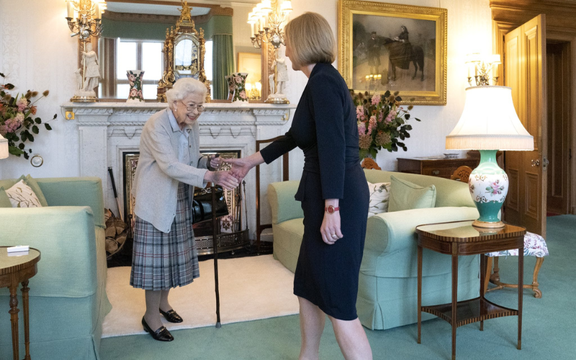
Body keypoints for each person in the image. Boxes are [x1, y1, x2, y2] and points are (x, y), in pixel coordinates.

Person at [227, 12, 372, 360]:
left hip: (338, 199)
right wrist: (251, 160)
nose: (285, 49)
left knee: (338, 300)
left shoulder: (323, 83)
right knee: (308, 287)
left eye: (289, 41)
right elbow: (296, 136)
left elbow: (334, 150)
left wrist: (332, 208)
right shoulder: (319, 81)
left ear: (304, 42)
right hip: (323, 196)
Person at [130, 78, 239, 342]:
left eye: (200, 107)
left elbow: (189, 160)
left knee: (170, 259)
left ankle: (163, 305)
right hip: (155, 200)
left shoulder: (191, 126)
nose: (196, 111)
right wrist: (210, 177)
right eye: (192, 105)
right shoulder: (157, 125)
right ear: (175, 102)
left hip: (179, 196)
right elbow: (168, 165)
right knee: (156, 264)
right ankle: (151, 317)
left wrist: (208, 161)